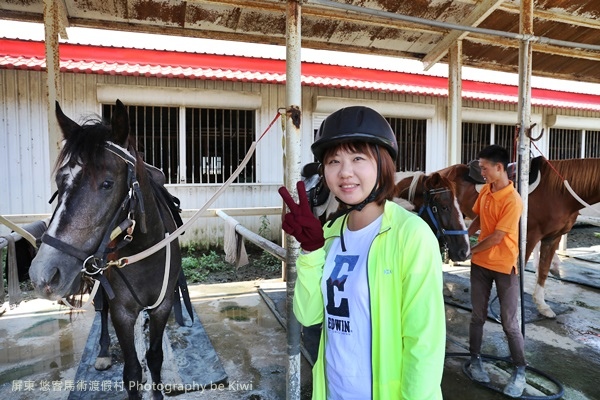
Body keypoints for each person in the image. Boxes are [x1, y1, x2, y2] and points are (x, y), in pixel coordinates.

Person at [278, 106, 446, 400]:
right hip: (332, 390)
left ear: (382, 164)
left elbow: (425, 343)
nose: (345, 172)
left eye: (358, 158)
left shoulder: (411, 235)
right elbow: (309, 314)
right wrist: (311, 251)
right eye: (334, 161)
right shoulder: (330, 233)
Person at [467, 144, 527, 398]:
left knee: (509, 323)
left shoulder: (513, 200)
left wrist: (471, 250)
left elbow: (498, 236)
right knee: (477, 316)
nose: (481, 172)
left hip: (504, 267)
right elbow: (479, 219)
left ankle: (520, 371)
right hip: (480, 265)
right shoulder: (486, 191)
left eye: (484, 168)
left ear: (499, 168)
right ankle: (475, 360)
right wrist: (463, 237)